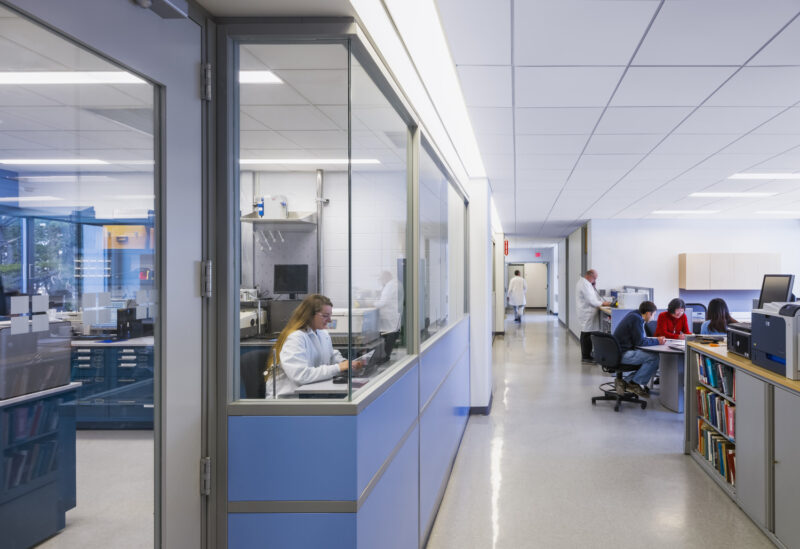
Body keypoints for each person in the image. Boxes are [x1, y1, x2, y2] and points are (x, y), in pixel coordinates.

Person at [266, 294, 365, 397]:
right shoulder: (295, 338)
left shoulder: (322, 333)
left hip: (312, 393)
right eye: (325, 316)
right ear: (309, 315)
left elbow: (330, 355)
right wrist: (338, 367)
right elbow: (301, 376)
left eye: (330, 315)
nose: (330, 320)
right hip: (291, 399)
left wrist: (345, 364)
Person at [613, 300, 665, 398]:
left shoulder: (634, 314)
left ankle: (625, 382)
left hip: (617, 352)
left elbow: (638, 339)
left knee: (648, 355)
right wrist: (658, 341)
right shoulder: (636, 319)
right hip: (621, 354)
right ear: (648, 313)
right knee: (654, 358)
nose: (653, 317)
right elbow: (640, 342)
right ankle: (633, 383)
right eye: (653, 315)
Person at [576, 269, 612, 362]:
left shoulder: (586, 284)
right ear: (589, 276)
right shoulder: (584, 284)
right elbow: (591, 301)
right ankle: (586, 357)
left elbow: (593, 297)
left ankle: (587, 355)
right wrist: (603, 303)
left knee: (587, 333)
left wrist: (593, 286)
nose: (595, 280)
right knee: (586, 334)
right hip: (587, 312)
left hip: (588, 312)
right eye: (594, 278)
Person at [375, 271, 403, 363]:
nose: (381, 281)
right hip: (394, 314)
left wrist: (370, 303)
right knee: (392, 334)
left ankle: (384, 356)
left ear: (385, 277)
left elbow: (383, 302)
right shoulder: (397, 284)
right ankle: (386, 355)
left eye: (381, 279)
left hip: (389, 315)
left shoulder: (390, 286)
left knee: (388, 335)